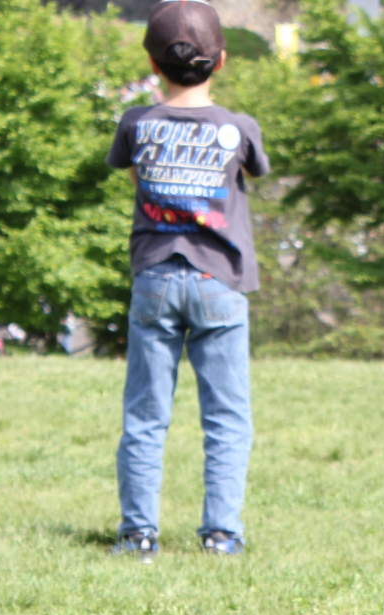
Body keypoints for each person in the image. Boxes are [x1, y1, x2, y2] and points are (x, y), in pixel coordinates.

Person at [107, 0, 269, 560]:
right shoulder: (237, 128)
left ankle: (138, 534)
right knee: (226, 416)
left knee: (146, 414)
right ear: (221, 60)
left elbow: (132, 170)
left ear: (153, 63)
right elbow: (254, 169)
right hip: (218, 280)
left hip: (153, 277)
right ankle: (221, 535)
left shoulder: (136, 124)